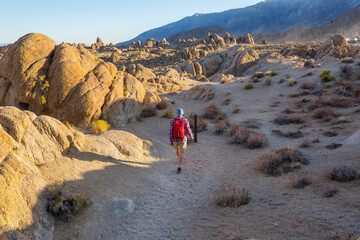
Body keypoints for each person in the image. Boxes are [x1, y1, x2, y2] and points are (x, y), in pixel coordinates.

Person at [169, 108, 193, 174]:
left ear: (176, 113)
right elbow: (188, 130)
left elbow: (170, 131)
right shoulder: (185, 120)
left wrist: (171, 140)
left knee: (177, 150)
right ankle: (179, 166)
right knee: (181, 152)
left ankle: (179, 158)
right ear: (182, 113)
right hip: (183, 139)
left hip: (175, 140)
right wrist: (191, 136)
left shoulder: (172, 121)